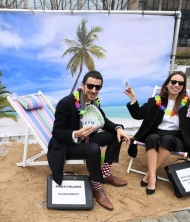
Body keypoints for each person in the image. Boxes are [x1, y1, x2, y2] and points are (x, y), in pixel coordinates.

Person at [47, 70, 130, 211]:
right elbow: (57, 132)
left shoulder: (94, 102)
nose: (93, 90)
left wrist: (118, 128)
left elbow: (104, 121)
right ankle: (97, 186)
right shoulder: (66, 103)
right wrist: (76, 133)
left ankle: (105, 173)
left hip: (85, 139)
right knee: (93, 149)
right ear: (83, 85)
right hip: (68, 146)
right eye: (90, 86)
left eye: (97, 87)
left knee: (117, 135)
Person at [124, 71, 190, 195]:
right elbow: (138, 115)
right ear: (167, 84)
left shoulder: (187, 104)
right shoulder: (155, 101)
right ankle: (153, 176)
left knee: (167, 140)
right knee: (152, 138)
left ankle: (150, 175)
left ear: (183, 86)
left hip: (176, 137)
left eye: (180, 83)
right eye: (173, 82)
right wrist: (133, 98)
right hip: (157, 133)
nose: (176, 85)